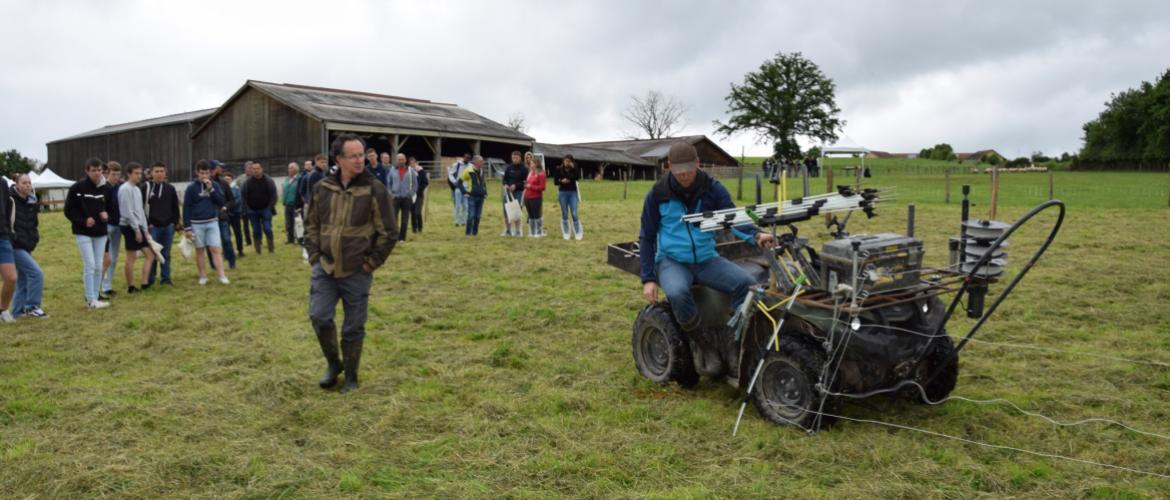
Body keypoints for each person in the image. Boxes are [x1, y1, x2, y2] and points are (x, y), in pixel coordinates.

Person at [639, 141, 775, 335]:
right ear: (668, 165)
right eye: (678, 170)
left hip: (706, 258)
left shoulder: (713, 189)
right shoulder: (657, 195)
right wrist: (648, 279)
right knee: (677, 293)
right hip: (672, 261)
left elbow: (732, 218)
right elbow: (647, 237)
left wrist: (757, 234)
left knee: (747, 285)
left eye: (687, 169)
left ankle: (734, 335)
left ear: (697, 163)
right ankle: (698, 339)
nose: (683, 175)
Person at [305, 133, 397, 393]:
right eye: (353, 156)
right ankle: (334, 364)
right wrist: (314, 256)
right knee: (319, 316)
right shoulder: (323, 188)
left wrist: (370, 263)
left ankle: (352, 376)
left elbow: (389, 232)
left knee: (353, 327)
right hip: (325, 267)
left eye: (362, 154)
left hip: (357, 270)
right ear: (339, 159)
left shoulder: (374, 189)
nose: (360, 160)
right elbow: (312, 224)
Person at [64, 157, 112, 309]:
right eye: (93, 170)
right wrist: (83, 221)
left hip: (101, 232)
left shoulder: (107, 189)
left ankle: (95, 297)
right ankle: (90, 299)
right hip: (83, 232)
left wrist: (107, 214)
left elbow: (113, 208)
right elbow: (68, 210)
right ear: (87, 171)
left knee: (98, 265)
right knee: (90, 264)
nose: (97, 173)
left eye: (99, 170)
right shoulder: (77, 188)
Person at [183, 160, 230, 285]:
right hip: (196, 223)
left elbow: (221, 202)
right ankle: (203, 276)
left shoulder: (215, 185)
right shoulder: (191, 188)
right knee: (200, 250)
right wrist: (187, 227)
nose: (204, 176)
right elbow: (186, 208)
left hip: (212, 222)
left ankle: (222, 275)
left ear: (210, 173)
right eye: (202, 173)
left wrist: (211, 189)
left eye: (207, 173)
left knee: (216, 249)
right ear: (197, 173)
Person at [9, 174, 45, 318]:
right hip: (14, 245)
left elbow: (34, 224)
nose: (27, 185)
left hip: (27, 245)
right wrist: (13, 238)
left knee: (23, 279)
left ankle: (17, 312)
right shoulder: (10, 200)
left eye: (29, 182)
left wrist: (34, 238)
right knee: (36, 273)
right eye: (24, 183)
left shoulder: (32, 201)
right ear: (17, 184)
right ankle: (32, 306)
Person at [118, 162, 154, 293]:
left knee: (150, 255)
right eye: (136, 173)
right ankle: (131, 286)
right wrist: (137, 230)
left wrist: (145, 230)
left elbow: (140, 211)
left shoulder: (137, 189)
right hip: (129, 226)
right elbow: (127, 212)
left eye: (140, 173)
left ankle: (144, 283)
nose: (139, 176)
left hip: (138, 226)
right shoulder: (124, 189)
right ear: (129, 174)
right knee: (131, 257)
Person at [143, 162, 181, 286]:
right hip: (153, 227)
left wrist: (175, 223)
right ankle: (150, 279)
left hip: (168, 227)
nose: (159, 174)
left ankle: (166, 278)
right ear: (151, 173)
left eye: (162, 171)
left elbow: (175, 207)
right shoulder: (146, 187)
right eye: (157, 171)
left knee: (166, 254)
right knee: (153, 253)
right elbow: (140, 208)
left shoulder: (170, 188)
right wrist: (147, 223)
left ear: (165, 173)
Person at [242, 161, 277, 254]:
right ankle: (258, 250)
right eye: (254, 169)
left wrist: (269, 208)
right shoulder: (247, 183)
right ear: (252, 170)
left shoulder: (268, 181)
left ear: (261, 169)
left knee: (267, 228)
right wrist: (248, 209)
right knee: (256, 230)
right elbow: (243, 196)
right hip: (253, 210)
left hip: (265, 209)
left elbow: (274, 196)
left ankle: (271, 248)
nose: (256, 171)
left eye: (258, 169)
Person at [100, 161, 123, 298]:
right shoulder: (104, 188)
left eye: (118, 174)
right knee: (105, 257)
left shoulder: (121, 187)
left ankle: (108, 286)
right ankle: (99, 286)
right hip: (107, 226)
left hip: (118, 225)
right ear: (107, 173)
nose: (116, 177)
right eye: (113, 174)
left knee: (114, 257)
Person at [211, 161, 236, 269]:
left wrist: (225, 207)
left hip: (222, 217)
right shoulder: (203, 184)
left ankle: (231, 262)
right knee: (211, 244)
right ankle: (213, 265)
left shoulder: (224, 183)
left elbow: (231, 200)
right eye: (218, 167)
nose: (220, 169)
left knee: (226, 239)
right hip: (209, 217)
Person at [386, 153, 416, 241]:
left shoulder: (411, 171)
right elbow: (388, 183)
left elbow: (415, 184)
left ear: (405, 160)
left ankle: (402, 238)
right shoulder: (392, 170)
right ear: (396, 160)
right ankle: (394, 237)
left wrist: (410, 193)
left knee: (405, 218)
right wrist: (390, 193)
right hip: (395, 198)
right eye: (399, 159)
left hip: (406, 198)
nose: (400, 161)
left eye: (402, 159)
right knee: (394, 218)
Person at [554, 154, 583, 240]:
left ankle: (578, 232)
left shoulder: (575, 168)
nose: (567, 162)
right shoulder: (559, 169)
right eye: (565, 161)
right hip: (562, 192)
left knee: (574, 213)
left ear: (572, 162)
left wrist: (574, 168)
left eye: (569, 161)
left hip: (573, 193)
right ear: (563, 161)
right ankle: (566, 232)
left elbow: (578, 178)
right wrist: (561, 181)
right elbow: (555, 182)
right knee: (565, 213)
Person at [458, 155, 488, 236]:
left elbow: (483, 183)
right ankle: (468, 233)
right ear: (476, 162)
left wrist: (485, 192)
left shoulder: (482, 170)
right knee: (471, 215)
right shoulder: (468, 170)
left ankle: (475, 233)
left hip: (481, 196)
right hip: (472, 196)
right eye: (481, 161)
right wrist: (464, 192)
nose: (483, 162)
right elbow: (459, 182)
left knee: (478, 216)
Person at [0, 175, 16, 322]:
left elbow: (7, 207)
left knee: (11, 278)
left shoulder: (2, 182)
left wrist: (7, 231)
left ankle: (3, 310)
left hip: (2, 237)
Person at [501, 151, 527, 237]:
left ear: (520, 158)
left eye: (516, 158)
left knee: (517, 212)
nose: (515, 159)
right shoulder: (509, 167)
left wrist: (516, 185)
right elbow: (504, 179)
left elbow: (525, 182)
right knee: (506, 212)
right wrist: (506, 184)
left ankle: (518, 231)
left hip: (518, 192)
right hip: (508, 192)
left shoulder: (524, 168)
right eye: (513, 158)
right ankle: (508, 231)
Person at [522, 151, 546, 237]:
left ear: (536, 164)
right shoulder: (530, 173)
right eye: (530, 163)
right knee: (531, 215)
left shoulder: (541, 174)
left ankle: (539, 232)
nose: (530, 164)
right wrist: (526, 185)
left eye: (532, 163)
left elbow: (542, 187)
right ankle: (532, 232)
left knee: (537, 215)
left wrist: (530, 186)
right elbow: (528, 184)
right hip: (527, 197)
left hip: (536, 197)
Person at [224, 171, 246, 258]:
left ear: (232, 179)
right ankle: (228, 251)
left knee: (238, 232)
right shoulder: (222, 188)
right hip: (226, 214)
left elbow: (237, 200)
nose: (227, 181)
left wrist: (228, 207)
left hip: (235, 213)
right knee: (226, 233)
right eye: (225, 179)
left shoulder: (236, 189)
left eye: (228, 179)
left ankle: (240, 250)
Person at [447, 153, 470, 226]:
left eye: (469, 158)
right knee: (457, 205)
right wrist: (454, 181)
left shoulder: (470, 166)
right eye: (466, 158)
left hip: (466, 188)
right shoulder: (457, 165)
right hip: (458, 187)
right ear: (463, 157)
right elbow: (450, 173)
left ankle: (463, 221)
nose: (467, 159)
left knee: (465, 206)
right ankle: (456, 221)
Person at [282, 162, 301, 244]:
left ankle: (300, 239)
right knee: (288, 223)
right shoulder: (287, 179)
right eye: (289, 168)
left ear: (296, 169)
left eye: (291, 168)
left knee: (297, 222)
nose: (289, 169)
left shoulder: (299, 179)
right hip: (287, 204)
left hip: (295, 204)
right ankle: (290, 239)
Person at [409, 156, 428, 234]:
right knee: (412, 212)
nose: (412, 164)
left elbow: (425, 182)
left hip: (419, 195)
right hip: (410, 195)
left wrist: (419, 190)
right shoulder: (408, 171)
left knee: (417, 212)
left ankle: (420, 228)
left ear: (415, 162)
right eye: (411, 163)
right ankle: (414, 228)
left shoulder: (421, 171)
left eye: (413, 162)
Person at [239, 161, 254, 249]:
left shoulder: (256, 178)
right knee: (245, 225)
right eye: (249, 168)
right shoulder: (240, 179)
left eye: (252, 168)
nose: (250, 170)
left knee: (254, 224)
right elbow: (234, 188)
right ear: (245, 169)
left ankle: (257, 239)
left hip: (253, 205)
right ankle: (248, 241)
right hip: (243, 206)